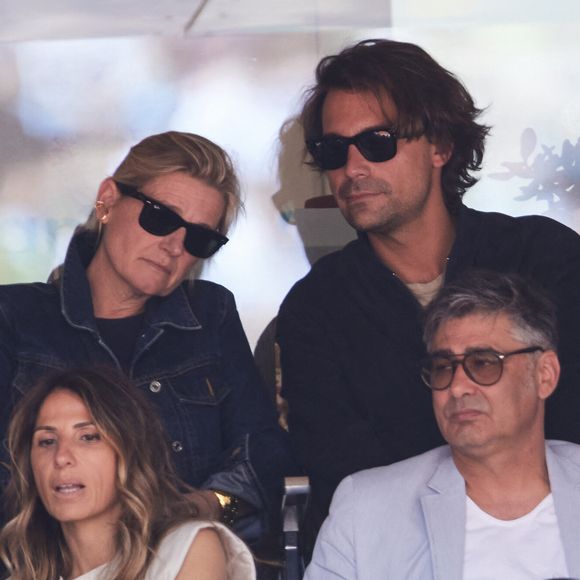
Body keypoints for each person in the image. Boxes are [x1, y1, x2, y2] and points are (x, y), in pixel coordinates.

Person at [276, 38, 580, 544]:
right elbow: (347, 483)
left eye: (378, 143)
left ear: (441, 146)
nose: (352, 169)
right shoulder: (317, 309)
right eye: (333, 150)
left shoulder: (544, 258)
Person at [0, 131, 293, 543]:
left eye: (199, 238)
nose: (175, 245)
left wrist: (205, 507)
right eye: (161, 217)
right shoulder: (15, 318)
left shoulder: (210, 313)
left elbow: (262, 454)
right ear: (107, 201)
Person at [305, 270, 580, 580]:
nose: (458, 387)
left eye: (484, 363)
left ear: (545, 374)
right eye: (443, 368)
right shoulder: (367, 509)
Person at [0, 367, 256, 579]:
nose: (61, 457)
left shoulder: (187, 549)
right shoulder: (26, 574)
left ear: (129, 451)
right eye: (46, 441)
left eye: (88, 437)